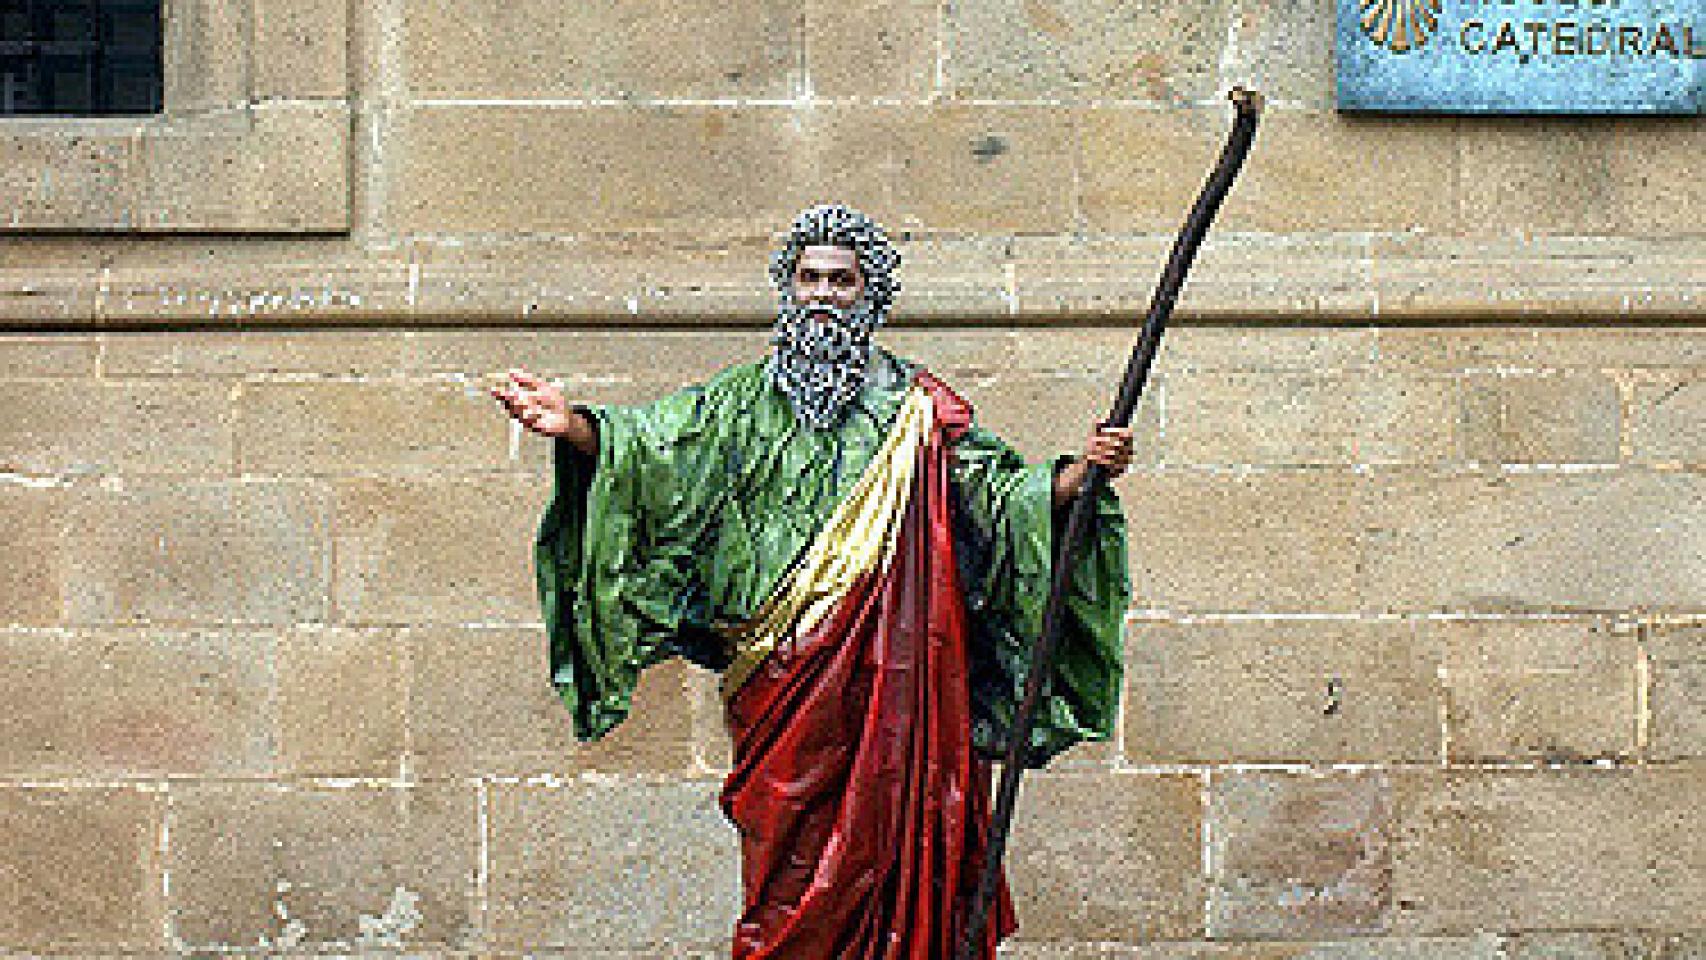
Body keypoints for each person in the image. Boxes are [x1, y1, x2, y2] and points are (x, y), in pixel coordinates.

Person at [491, 204, 1133, 959]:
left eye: (842, 280)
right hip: (781, 678)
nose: (824, 293)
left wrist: (1079, 475)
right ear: (788, 289)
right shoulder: (737, 403)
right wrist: (574, 427)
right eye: (809, 278)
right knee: (786, 870)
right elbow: (658, 447)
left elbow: (995, 498)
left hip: (896, 679)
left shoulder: (919, 409)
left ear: (870, 295)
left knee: (893, 851)